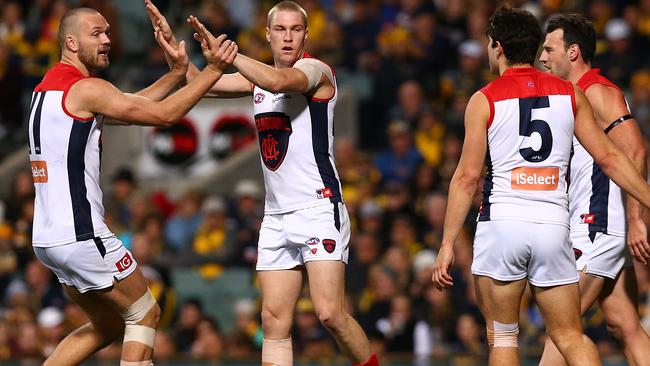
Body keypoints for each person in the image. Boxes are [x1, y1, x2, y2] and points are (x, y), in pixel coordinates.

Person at [144, 1, 379, 365]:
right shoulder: (257, 77)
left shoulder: (314, 70)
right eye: (280, 29)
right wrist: (178, 53)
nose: (287, 37)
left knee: (330, 314)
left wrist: (229, 55)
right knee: (272, 320)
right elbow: (202, 82)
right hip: (276, 215)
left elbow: (279, 81)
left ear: (306, 35)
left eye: (295, 29)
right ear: (267, 34)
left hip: (318, 207)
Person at [431, 6, 650, 366]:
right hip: (554, 225)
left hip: (503, 224)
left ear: (497, 47)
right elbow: (612, 158)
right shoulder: (570, 94)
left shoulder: (484, 99)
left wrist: (447, 243)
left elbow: (467, 177)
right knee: (569, 335)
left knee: (503, 337)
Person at [29, 7, 236, 365]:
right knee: (144, 314)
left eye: (108, 32)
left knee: (108, 324)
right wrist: (214, 70)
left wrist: (176, 74)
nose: (108, 39)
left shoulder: (46, 90)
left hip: (47, 240)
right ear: (71, 42)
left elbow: (131, 105)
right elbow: (164, 116)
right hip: (81, 235)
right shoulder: (87, 88)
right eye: (96, 33)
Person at [538, 14, 650, 366]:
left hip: (598, 225)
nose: (542, 56)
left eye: (549, 48)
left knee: (562, 328)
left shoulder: (597, 91)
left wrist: (636, 221)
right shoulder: (574, 94)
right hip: (599, 224)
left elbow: (635, 150)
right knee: (624, 325)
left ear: (573, 52)